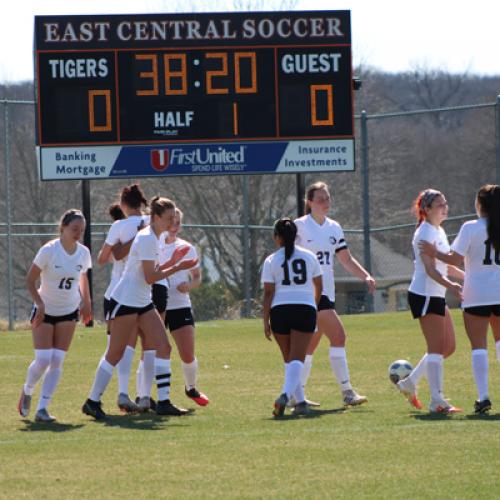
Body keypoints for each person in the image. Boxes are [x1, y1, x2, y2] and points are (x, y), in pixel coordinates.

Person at [82, 197, 197, 420]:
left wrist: (172, 260)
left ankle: (163, 402)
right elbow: (150, 276)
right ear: (155, 217)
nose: (172, 222)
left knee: (163, 346)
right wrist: (178, 265)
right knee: (115, 353)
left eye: (174, 218)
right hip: (126, 301)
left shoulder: (156, 237)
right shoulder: (147, 239)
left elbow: (151, 271)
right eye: (168, 218)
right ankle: (92, 401)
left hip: (142, 301)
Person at [294, 182, 375, 409]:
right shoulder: (299, 227)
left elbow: (345, 259)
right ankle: (347, 391)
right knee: (338, 336)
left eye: (327, 198)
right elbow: (285, 255)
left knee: (309, 346)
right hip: (309, 294)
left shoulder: (334, 227)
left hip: (325, 291)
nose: (325, 203)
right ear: (309, 202)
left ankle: (294, 393)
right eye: (320, 199)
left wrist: (365, 276)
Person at [420, 184, 500, 414]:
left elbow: (453, 260)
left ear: (480, 205)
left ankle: (483, 397)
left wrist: (434, 252)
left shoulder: (471, 227)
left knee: (479, 347)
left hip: (477, 294)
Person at [18, 209, 92, 422]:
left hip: (69, 311)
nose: (78, 233)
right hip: (46, 310)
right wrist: (39, 304)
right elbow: (29, 280)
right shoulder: (49, 250)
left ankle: (43, 408)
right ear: (63, 228)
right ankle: (28, 390)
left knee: (57, 360)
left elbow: (82, 277)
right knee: (43, 359)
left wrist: (86, 302)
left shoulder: (83, 252)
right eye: (74, 229)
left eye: (82, 230)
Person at [398, 188, 462, 414]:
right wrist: (451, 286)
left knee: (449, 347)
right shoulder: (424, 232)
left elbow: (446, 265)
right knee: (436, 348)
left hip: (436, 295)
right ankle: (437, 400)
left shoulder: (439, 230)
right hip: (424, 294)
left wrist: (468, 278)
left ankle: (409, 383)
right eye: (440, 205)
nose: (445, 207)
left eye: (445, 203)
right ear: (426, 210)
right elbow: (431, 270)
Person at [261, 218, 322, 417]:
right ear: (296, 236)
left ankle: (301, 401)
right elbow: (319, 286)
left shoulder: (271, 260)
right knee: (297, 359)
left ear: (276, 237)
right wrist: (312, 304)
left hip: (280, 311)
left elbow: (268, 293)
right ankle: (285, 395)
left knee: (289, 359)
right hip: (304, 308)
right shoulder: (310, 256)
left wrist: (265, 319)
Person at [96, 185, 148, 414]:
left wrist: (121, 249)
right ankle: (127, 394)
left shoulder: (119, 226)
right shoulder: (149, 223)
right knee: (129, 347)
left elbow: (103, 258)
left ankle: (117, 395)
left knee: (115, 348)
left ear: (123, 204)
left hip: (117, 293)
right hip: (138, 292)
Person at [162, 208, 209, 406]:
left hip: (180, 305)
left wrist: (189, 285)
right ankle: (146, 396)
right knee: (154, 352)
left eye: (178, 222)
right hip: (155, 305)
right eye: (171, 221)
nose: (174, 226)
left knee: (187, 353)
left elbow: (197, 276)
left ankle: (191, 388)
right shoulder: (153, 244)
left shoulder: (187, 248)